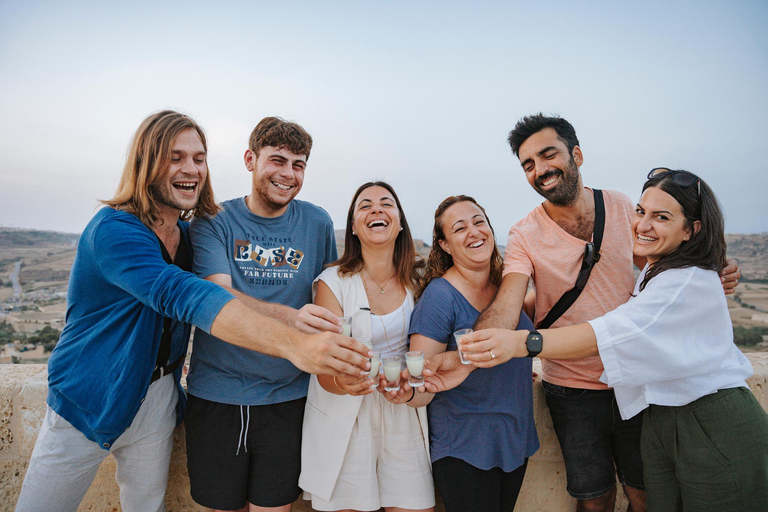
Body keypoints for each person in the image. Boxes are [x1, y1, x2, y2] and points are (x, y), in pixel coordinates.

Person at [15, 111, 369, 512]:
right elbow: (187, 294)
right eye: (175, 157)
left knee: (146, 506)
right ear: (146, 163)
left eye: (199, 159)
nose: (191, 169)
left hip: (158, 396)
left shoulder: (185, 233)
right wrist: (294, 342)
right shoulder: (115, 230)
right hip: (90, 396)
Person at [452, 114, 740, 512]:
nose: (540, 170)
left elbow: (659, 260)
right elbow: (510, 298)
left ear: (577, 155)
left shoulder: (622, 206)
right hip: (571, 389)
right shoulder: (523, 234)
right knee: (594, 500)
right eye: (528, 164)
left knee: (647, 495)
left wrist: (713, 267)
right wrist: (485, 341)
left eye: (547, 155)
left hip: (636, 382)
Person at [185, 117, 345, 512]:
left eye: (298, 164)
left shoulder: (317, 222)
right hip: (218, 395)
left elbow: (328, 294)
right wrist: (289, 318)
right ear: (250, 160)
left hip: (289, 398)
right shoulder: (213, 220)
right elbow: (216, 294)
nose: (288, 174)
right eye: (277, 161)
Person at [299, 181, 435, 512]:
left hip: (404, 413)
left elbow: (430, 357)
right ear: (354, 228)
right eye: (365, 205)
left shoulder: (420, 282)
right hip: (344, 415)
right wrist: (343, 383)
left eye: (386, 203)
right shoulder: (332, 282)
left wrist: (412, 392)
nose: (376, 209)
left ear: (400, 222)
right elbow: (324, 367)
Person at [407, 195, 539, 511]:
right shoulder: (440, 297)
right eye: (460, 228)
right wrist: (406, 391)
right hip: (464, 445)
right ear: (445, 245)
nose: (474, 232)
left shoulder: (508, 288)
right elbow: (421, 378)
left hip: (514, 438)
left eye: (479, 221)